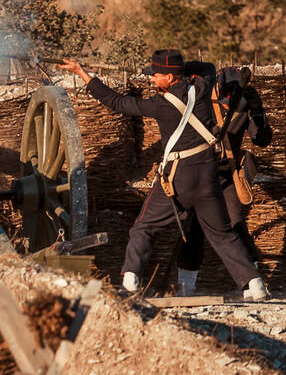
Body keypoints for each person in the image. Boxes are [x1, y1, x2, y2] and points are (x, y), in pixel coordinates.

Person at [59, 50, 268, 300]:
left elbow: (116, 102)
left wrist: (83, 74)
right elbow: (208, 67)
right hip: (207, 177)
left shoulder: (160, 104)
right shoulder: (201, 89)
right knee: (223, 234)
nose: (150, 79)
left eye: (156, 75)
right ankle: (255, 285)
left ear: (170, 78)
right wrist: (179, 68)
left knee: (143, 228)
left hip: (178, 177)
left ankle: (130, 283)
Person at [177, 66, 273, 297]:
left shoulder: (245, 103)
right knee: (193, 229)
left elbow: (262, 140)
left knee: (236, 225)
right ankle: (185, 287)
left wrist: (257, 113)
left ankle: (254, 284)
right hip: (198, 172)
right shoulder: (200, 100)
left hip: (225, 173)